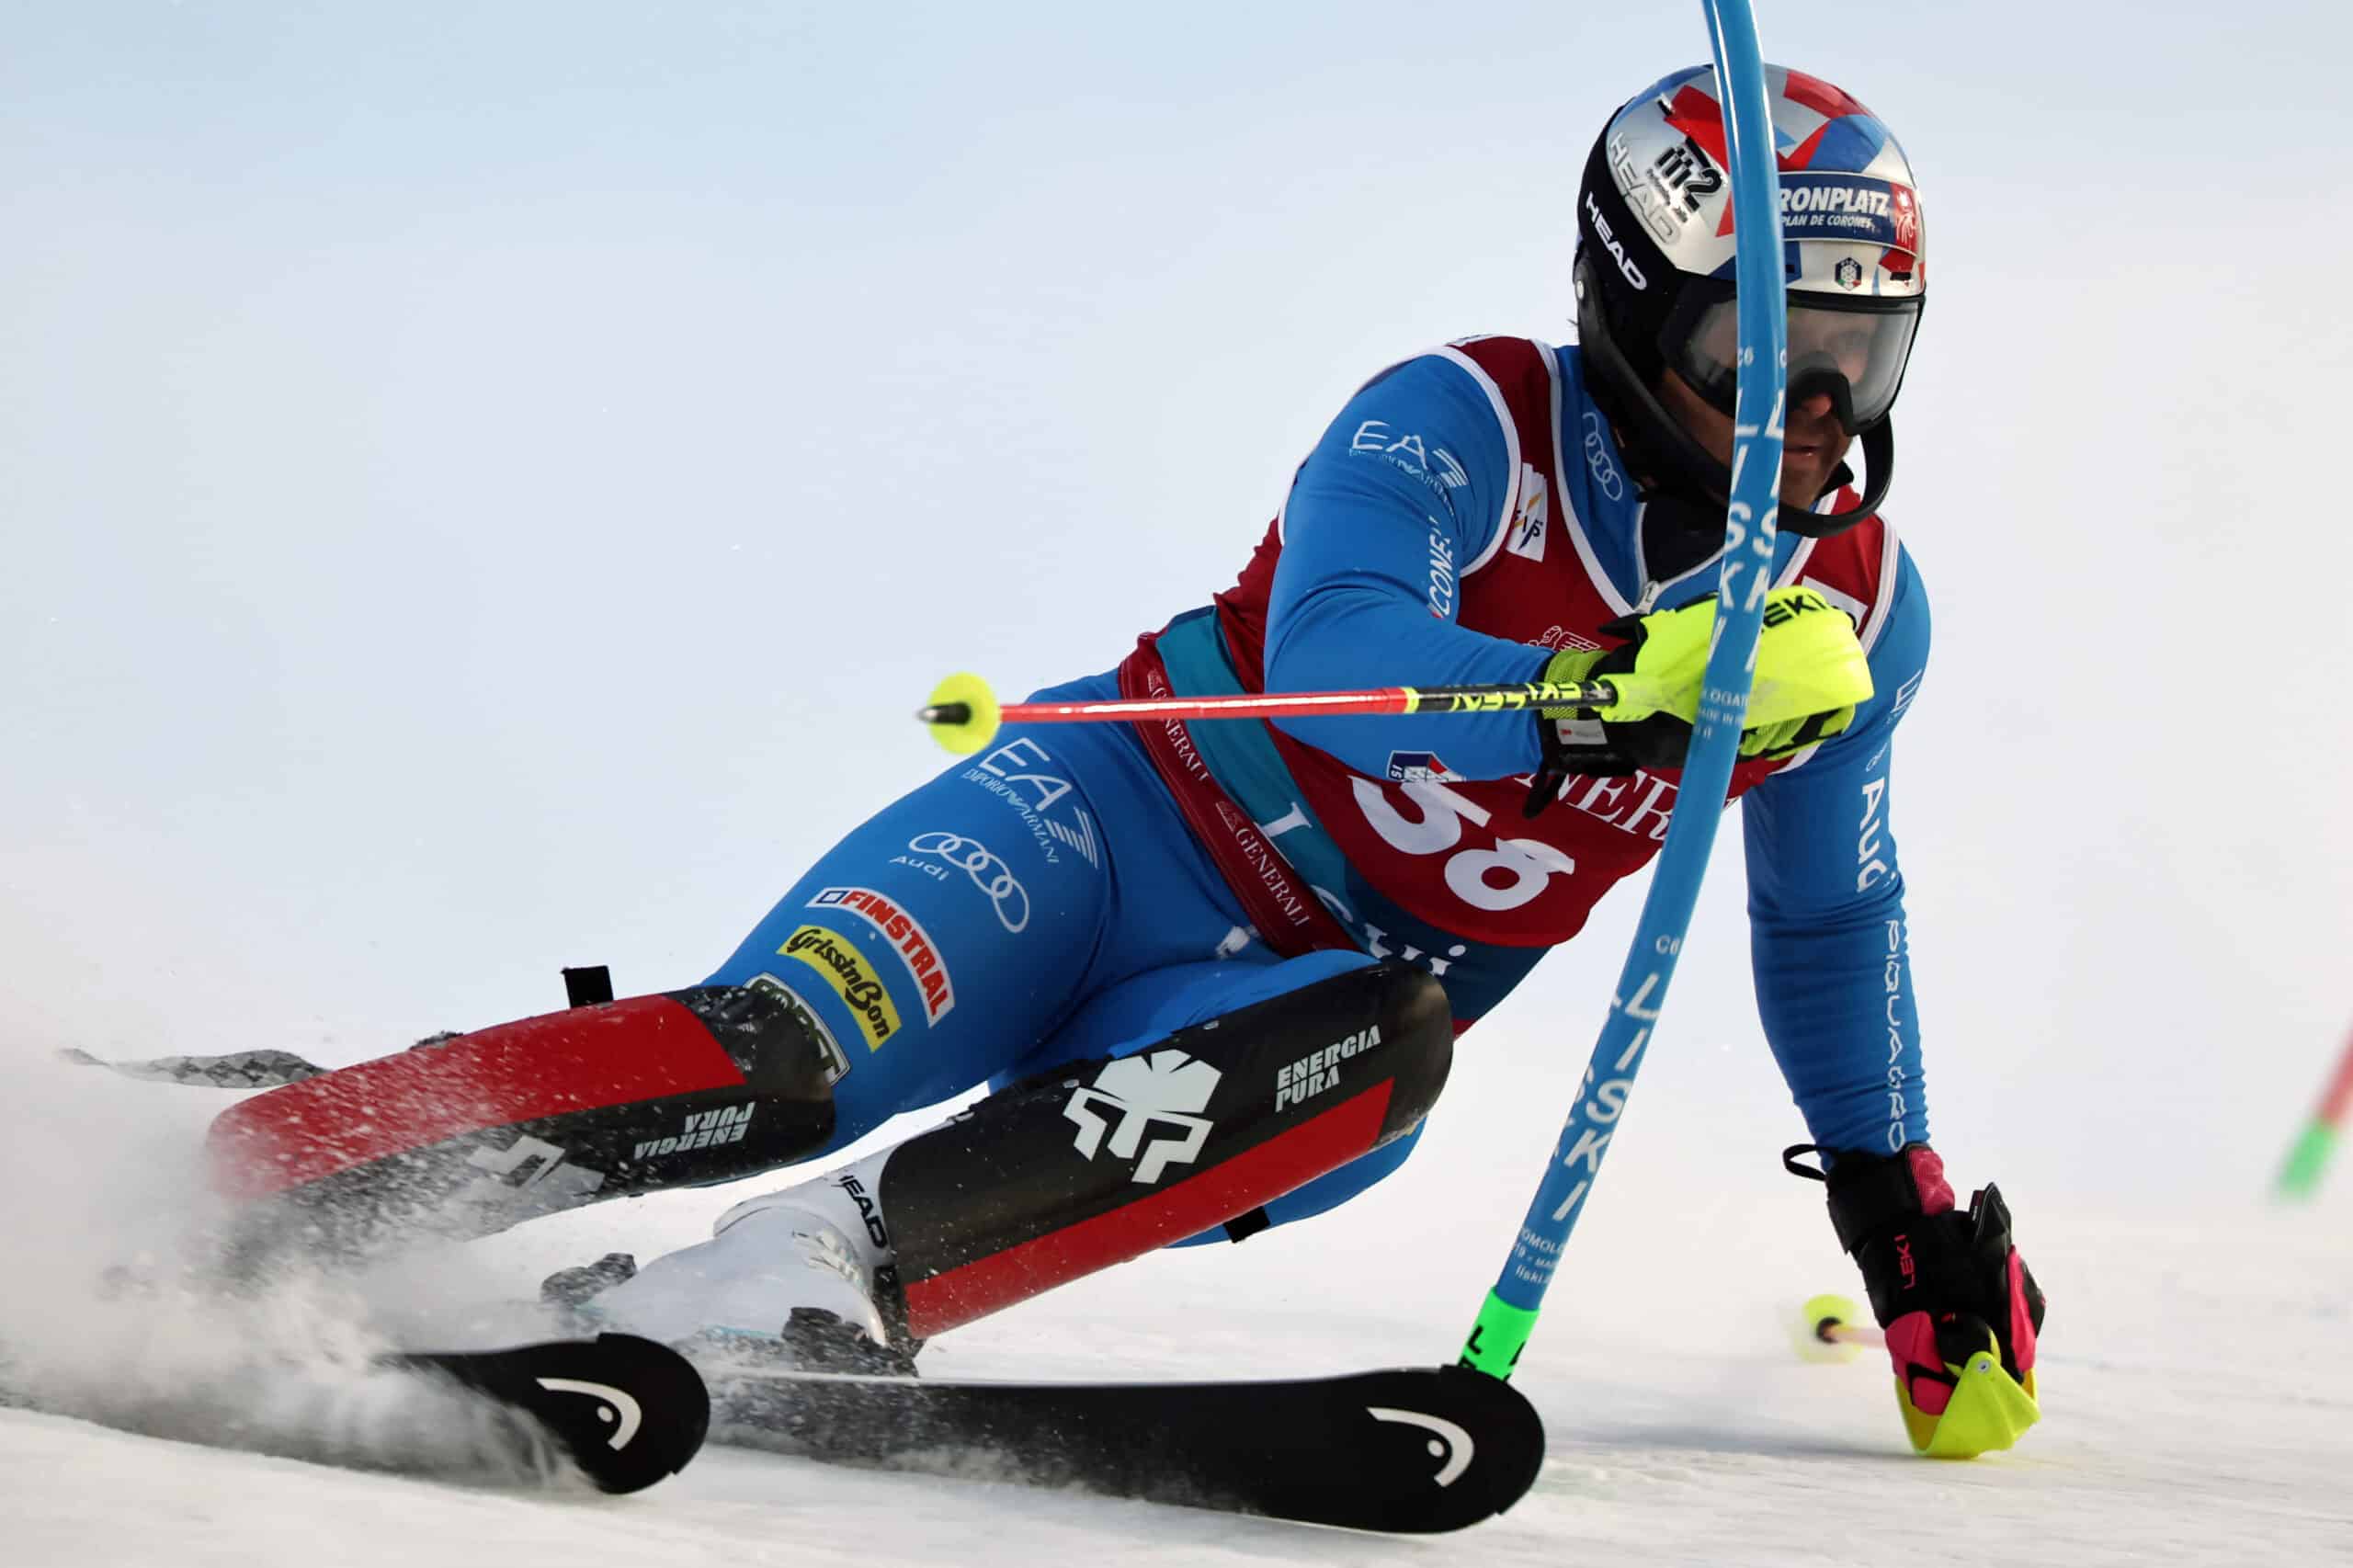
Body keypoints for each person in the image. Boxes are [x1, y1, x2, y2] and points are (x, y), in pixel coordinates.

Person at [209, 63, 2042, 1457]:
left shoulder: (1853, 619)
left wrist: (1900, 1216)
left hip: (1272, 1010)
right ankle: (252, 1163)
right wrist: (1600, 688)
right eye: (1761, 354)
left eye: (1860, 362)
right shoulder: (1465, 417)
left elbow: (1829, 920)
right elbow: (1333, 658)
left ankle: (801, 1270)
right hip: (1094, 842)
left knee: (1382, 1062)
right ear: (1635, 308)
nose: (1815, 417)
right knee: (779, 1060)